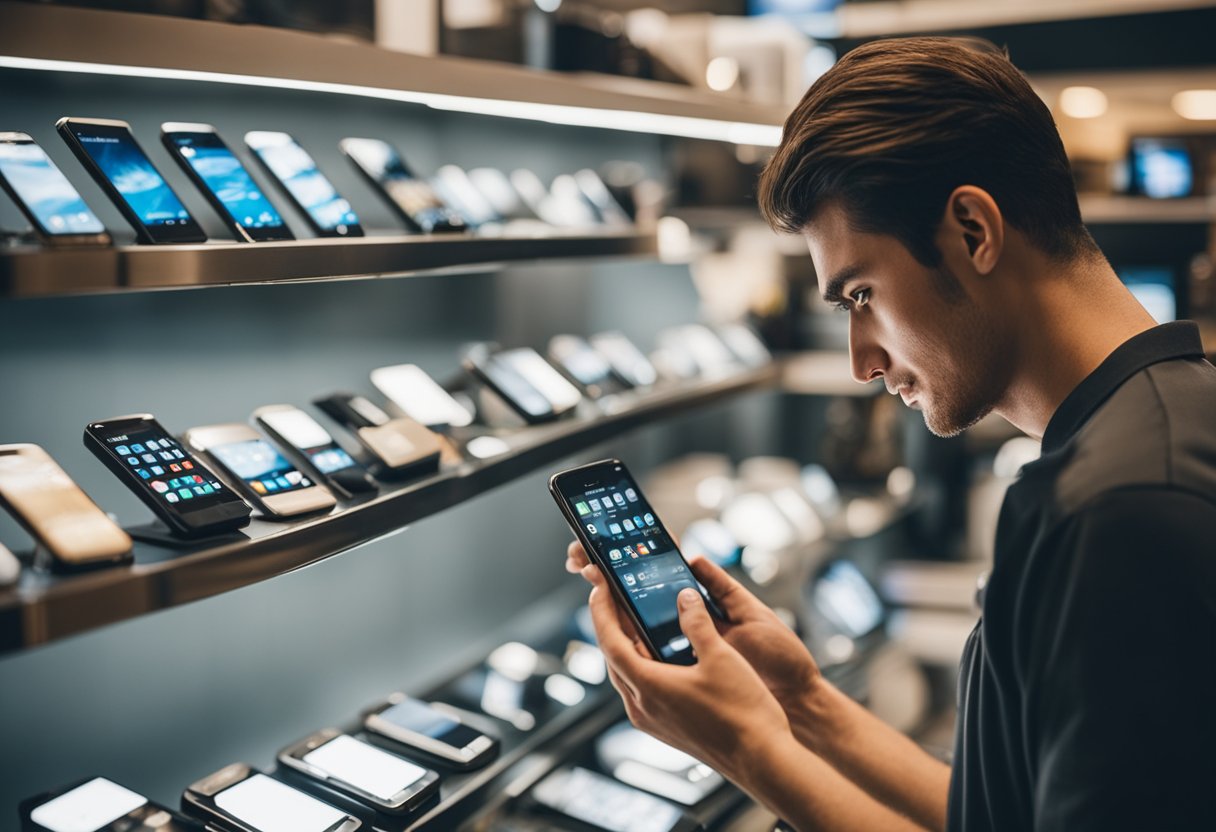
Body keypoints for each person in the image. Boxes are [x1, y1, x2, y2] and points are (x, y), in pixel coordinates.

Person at [564, 36, 1216, 831]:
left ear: (973, 230)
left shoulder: (1122, 511)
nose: (862, 362)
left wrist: (749, 751)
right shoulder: (1152, 430)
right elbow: (1003, 813)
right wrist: (800, 702)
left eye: (861, 294)